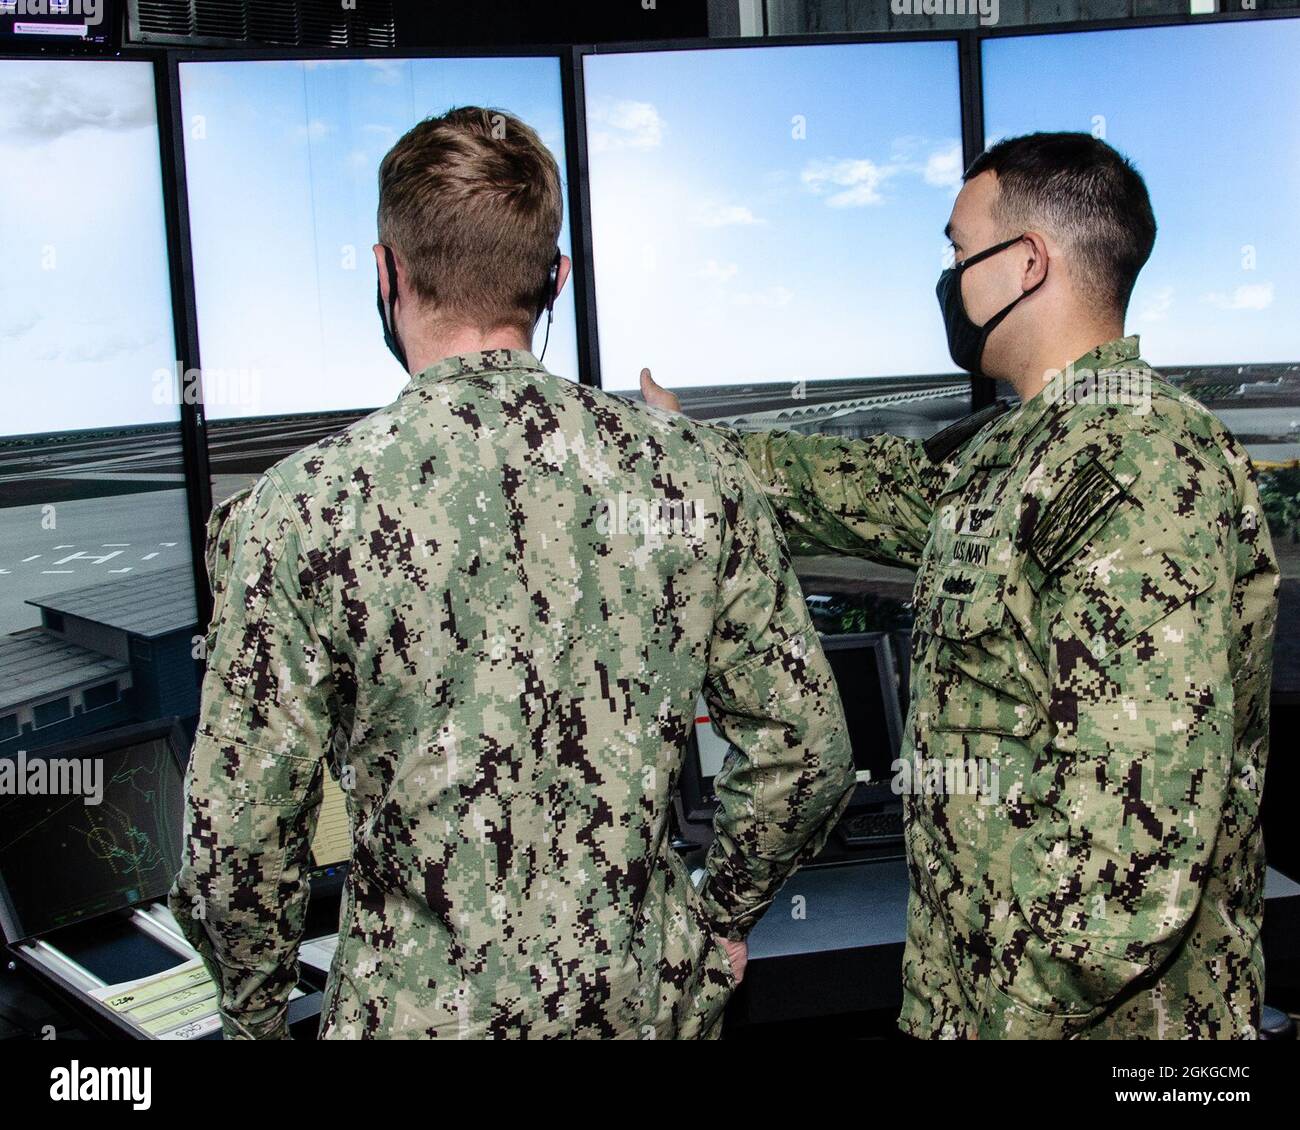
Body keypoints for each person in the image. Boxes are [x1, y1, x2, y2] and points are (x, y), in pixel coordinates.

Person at [169, 107, 854, 1040]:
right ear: (555, 278)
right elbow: (809, 750)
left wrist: (252, 1019)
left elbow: (236, 848)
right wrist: (714, 917)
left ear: (388, 272)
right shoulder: (695, 476)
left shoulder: (299, 511)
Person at [643, 132, 1279, 1039]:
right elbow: (863, 490)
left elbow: (1128, 867)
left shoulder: (1144, 470)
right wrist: (693, 448)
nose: (948, 277)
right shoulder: (1019, 453)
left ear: (1026, 263)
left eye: (955, 248)